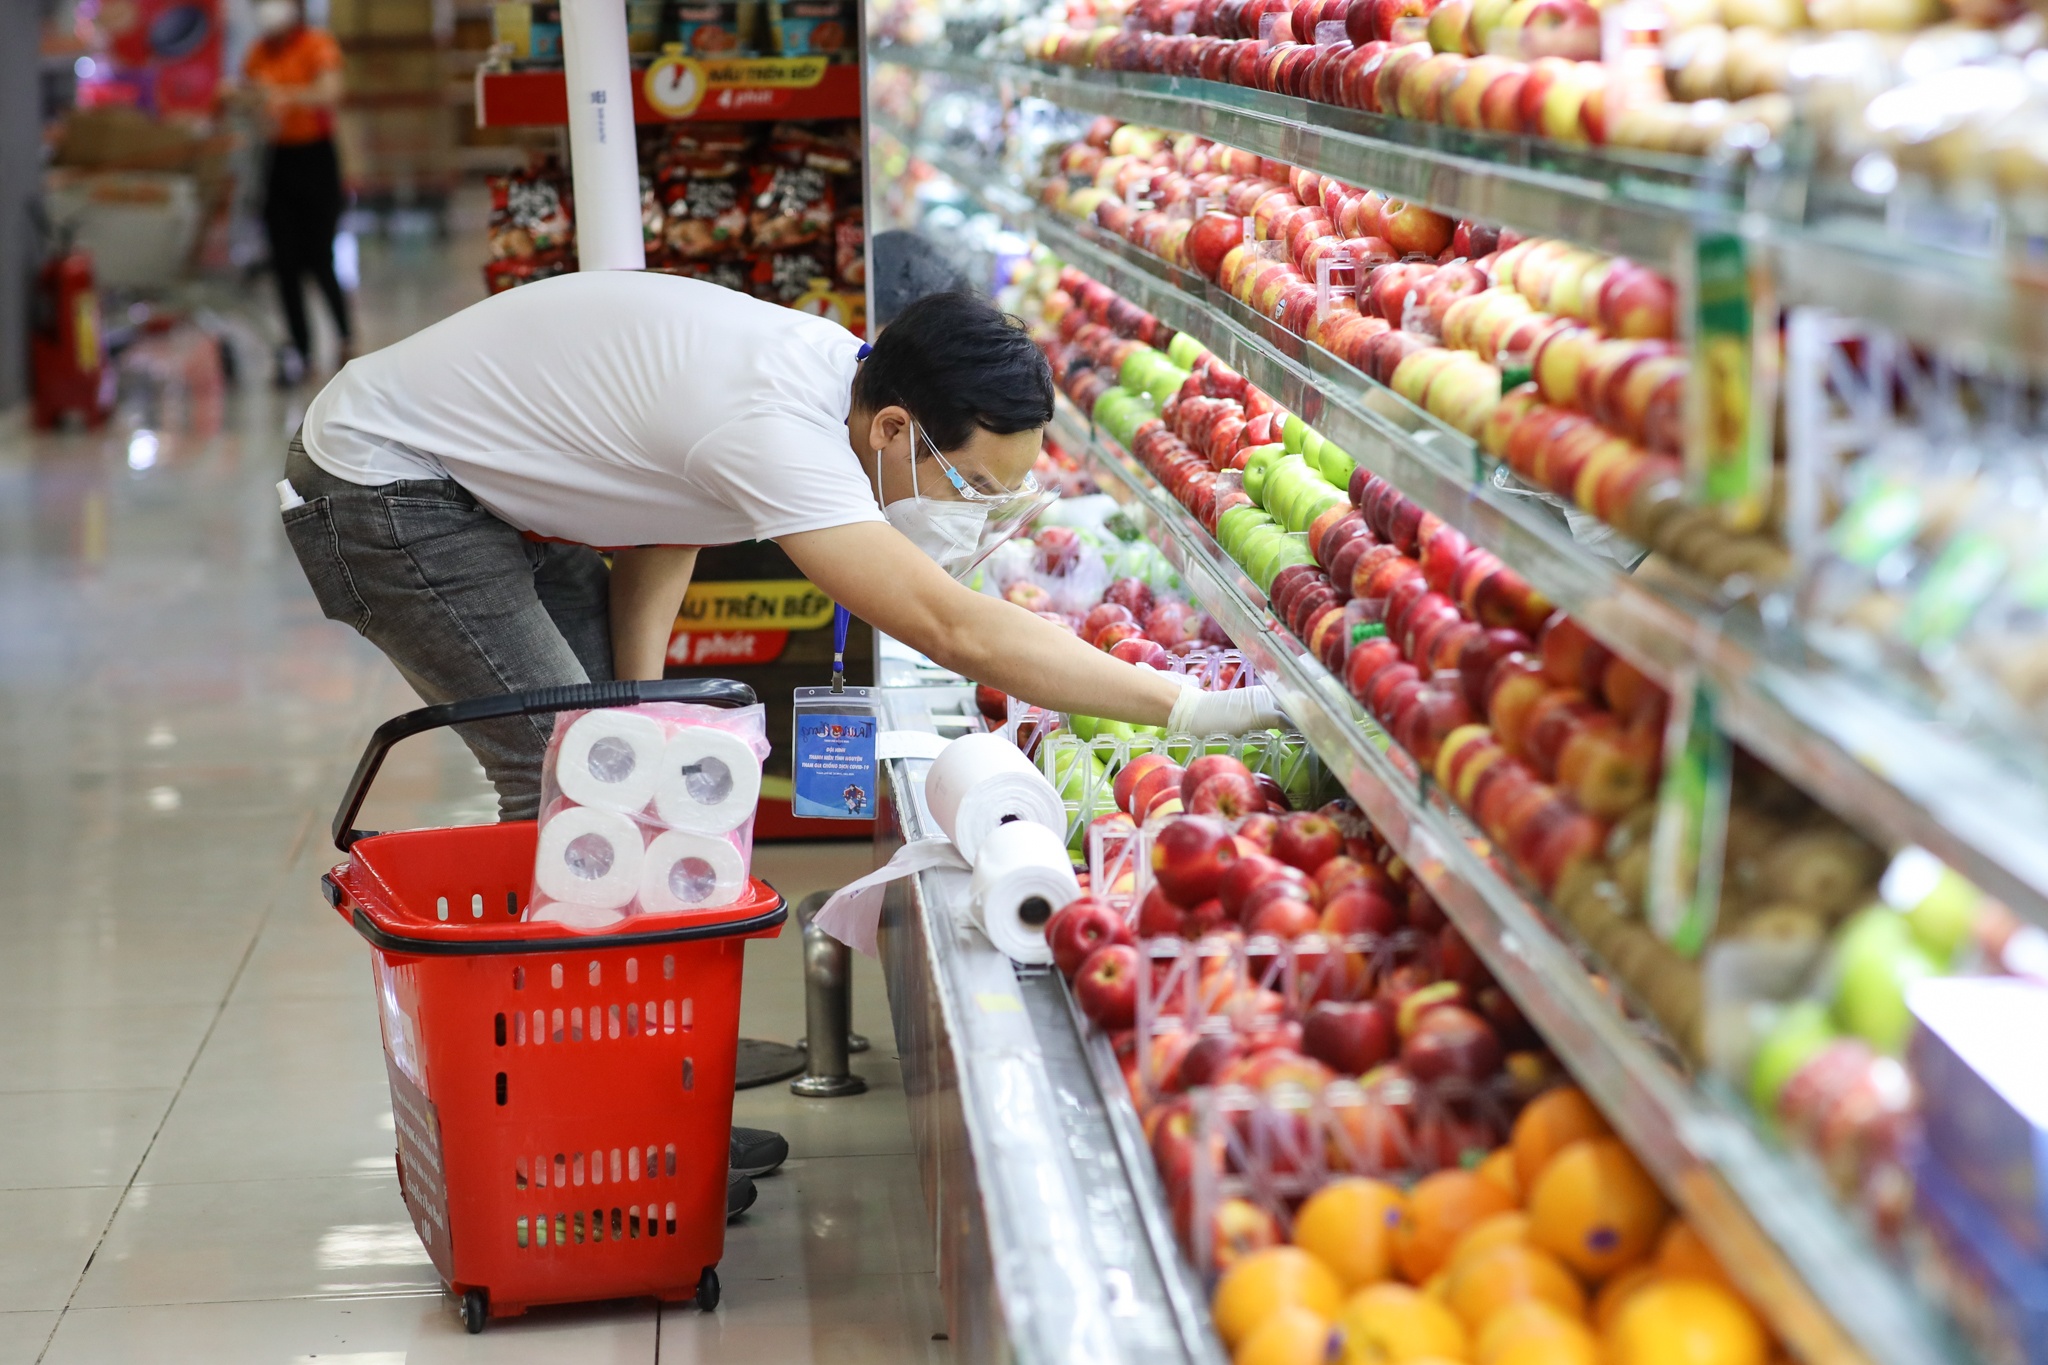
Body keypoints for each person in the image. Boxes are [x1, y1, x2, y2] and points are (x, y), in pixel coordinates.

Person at [279, 278, 1285, 1215]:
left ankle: (633, 1128)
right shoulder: (778, 428)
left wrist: (640, 713)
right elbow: (956, 629)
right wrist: (1186, 711)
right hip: (384, 481)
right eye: (970, 482)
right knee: (561, 784)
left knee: (609, 771)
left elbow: (664, 512)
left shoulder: (829, 384)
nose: (976, 512)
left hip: (471, 494)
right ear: (894, 428)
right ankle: (570, 1156)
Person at [238, 0, 354, 384]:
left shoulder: (315, 45)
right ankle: (300, 351)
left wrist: (288, 96)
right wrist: (246, 102)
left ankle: (344, 337)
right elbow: (252, 100)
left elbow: (331, 90)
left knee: (319, 256)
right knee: (284, 262)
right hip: (278, 161)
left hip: (317, 159)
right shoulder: (258, 53)